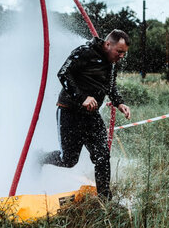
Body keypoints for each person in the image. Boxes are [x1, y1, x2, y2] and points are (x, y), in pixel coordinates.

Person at [40, 29, 131, 200]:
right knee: (68, 160)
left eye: (124, 53)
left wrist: (120, 103)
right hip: (69, 111)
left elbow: (110, 87)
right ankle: (39, 157)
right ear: (107, 44)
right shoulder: (84, 52)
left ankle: (105, 200)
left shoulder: (112, 63)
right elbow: (63, 73)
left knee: (102, 155)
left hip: (91, 115)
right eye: (119, 52)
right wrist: (82, 97)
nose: (121, 57)